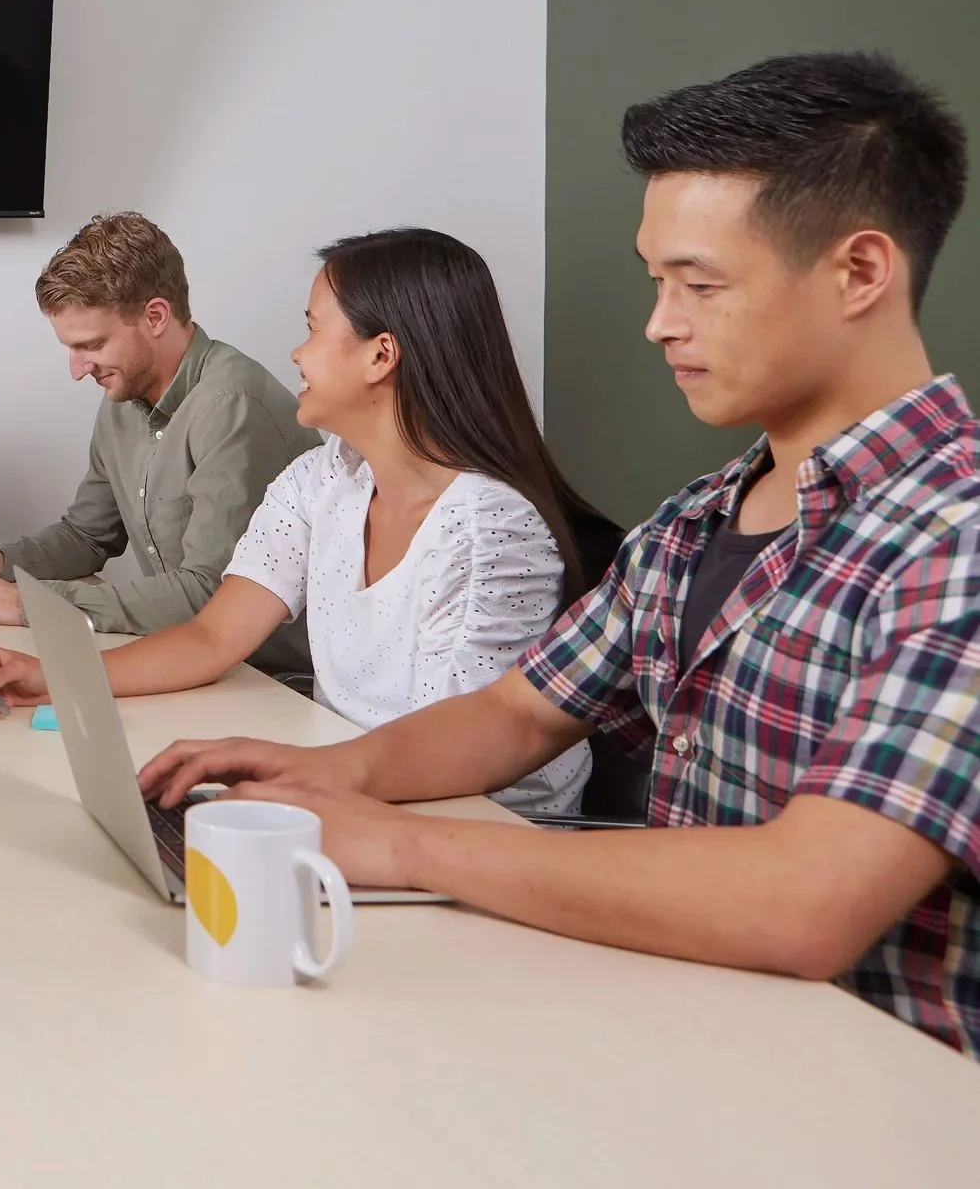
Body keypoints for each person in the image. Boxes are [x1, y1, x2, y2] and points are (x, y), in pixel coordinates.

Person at [137, 53, 979, 1055]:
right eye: (656, 280)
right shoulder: (695, 520)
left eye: (699, 284)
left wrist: (402, 843)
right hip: (685, 1027)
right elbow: (514, 708)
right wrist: (329, 770)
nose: (658, 322)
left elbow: (805, 900)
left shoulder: (954, 534)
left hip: (879, 1092)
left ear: (858, 271)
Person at [0, 228, 602, 814]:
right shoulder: (322, 480)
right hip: (346, 789)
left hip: (470, 826)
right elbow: (212, 639)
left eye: (314, 330)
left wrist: (289, 780)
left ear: (381, 356)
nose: (296, 352)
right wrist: (55, 677)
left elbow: (454, 761)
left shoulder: (490, 530)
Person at [0, 213, 317, 674]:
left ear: (155, 317)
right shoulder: (125, 395)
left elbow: (206, 592)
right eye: (71, 348)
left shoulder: (230, 407)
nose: (77, 369)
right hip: (186, 664)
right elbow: (88, 534)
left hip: (270, 685)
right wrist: (2, 561)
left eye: (92, 345)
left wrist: (33, 604)